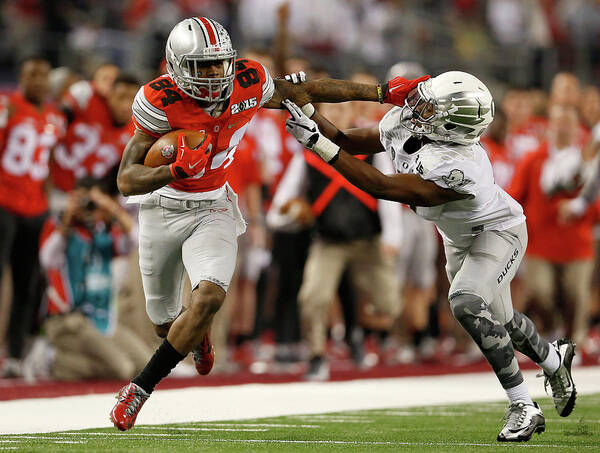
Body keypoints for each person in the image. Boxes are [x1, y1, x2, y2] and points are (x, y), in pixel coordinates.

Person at [109, 16, 414, 431]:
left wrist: (380, 93)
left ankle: (138, 390)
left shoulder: (247, 81)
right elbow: (126, 179)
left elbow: (305, 90)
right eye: (205, 66)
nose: (217, 74)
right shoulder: (158, 99)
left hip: (213, 205)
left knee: (209, 298)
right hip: (162, 206)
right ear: (177, 65)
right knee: (166, 324)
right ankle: (196, 333)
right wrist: (174, 171)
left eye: (221, 63)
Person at [282, 70, 577, 442]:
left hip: (498, 232)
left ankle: (523, 405)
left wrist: (319, 147)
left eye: (433, 108)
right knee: (499, 318)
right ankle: (553, 360)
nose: (418, 108)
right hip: (457, 237)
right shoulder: (414, 122)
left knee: (467, 303)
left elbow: (383, 185)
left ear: (453, 127)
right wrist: (305, 109)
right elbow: (344, 139)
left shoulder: (461, 167)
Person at [37, 182, 152, 380]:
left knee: (146, 365)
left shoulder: (105, 232)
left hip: (103, 320)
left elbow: (140, 241)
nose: (88, 208)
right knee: (122, 368)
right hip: (71, 320)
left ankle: (66, 359)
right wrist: (68, 218)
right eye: (82, 201)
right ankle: (53, 361)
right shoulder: (62, 230)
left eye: (92, 202)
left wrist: (112, 209)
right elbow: (47, 259)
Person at [0, 56, 66, 377]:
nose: (38, 81)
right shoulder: (7, 106)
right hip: (4, 201)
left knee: (28, 284)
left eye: (43, 75)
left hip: (36, 207)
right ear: (21, 78)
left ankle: (14, 354)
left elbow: (51, 161)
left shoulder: (54, 115)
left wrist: (52, 200)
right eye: (32, 75)